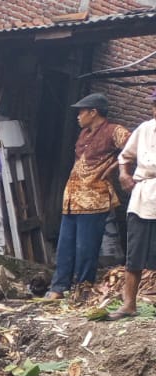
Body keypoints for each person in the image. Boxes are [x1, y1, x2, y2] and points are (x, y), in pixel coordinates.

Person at [47, 94, 130, 300]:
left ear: (93, 112)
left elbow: (132, 148)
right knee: (65, 245)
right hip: (73, 198)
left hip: (94, 199)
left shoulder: (114, 131)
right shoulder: (84, 133)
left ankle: (83, 289)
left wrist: (116, 167)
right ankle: (59, 287)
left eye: (81, 111)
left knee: (86, 248)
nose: (78, 116)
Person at [111, 87, 156, 320]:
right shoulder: (145, 129)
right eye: (155, 106)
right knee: (134, 253)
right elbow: (124, 157)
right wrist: (123, 174)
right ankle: (129, 304)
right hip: (143, 196)